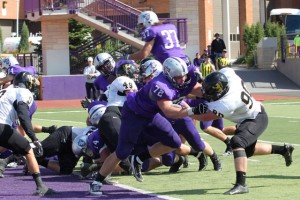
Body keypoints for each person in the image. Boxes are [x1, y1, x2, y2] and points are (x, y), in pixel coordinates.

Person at [88, 57, 220, 195]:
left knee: (173, 142)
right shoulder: (160, 85)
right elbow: (169, 111)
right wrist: (192, 111)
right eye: (178, 77)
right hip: (134, 114)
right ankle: (97, 182)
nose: (182, 79)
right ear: (169, 75)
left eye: (184, 76)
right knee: (122, 151)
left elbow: (195, 88)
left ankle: (138, 159)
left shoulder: (184, 75)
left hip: (151, 114)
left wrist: (211, 93)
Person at [192, 68, 295, 195]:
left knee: (237, 142)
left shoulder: (226, 103)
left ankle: (241, 184)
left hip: (256, 117)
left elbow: (206, 116)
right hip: (250, 117)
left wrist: (185, 112)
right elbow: (220, 75)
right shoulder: (228, 74)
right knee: (247, 151)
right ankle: (283, 150)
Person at [0, 71, 55, 196]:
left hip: (3, 126)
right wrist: (34, 138)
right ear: (27, 83)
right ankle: (41, 187)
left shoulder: (7, 90)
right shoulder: (23, 92)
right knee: (28, 150)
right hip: (1, 125)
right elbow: (22, 114)